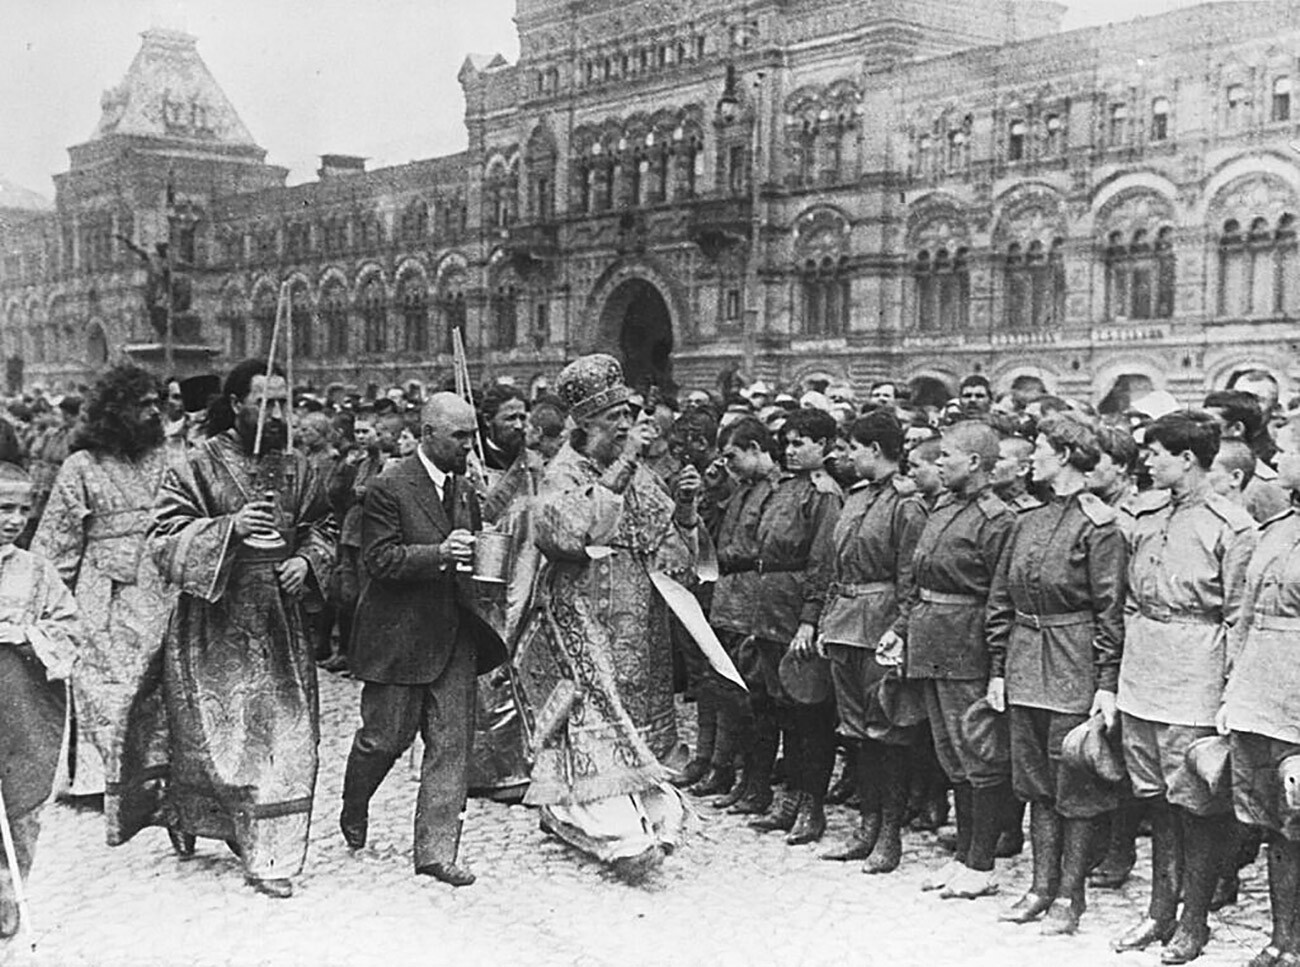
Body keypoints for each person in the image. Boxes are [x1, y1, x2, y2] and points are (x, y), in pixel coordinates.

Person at [149, 360, 336, 899]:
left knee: (289, 736)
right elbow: (164, 537)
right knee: (218, 736)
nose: (279, 414)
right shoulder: (195, 465)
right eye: (266, 403)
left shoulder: (299, 468)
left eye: (285, 402)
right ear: (236, 405)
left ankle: (271, 854)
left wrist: (308, 560)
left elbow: (323, 523)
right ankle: (195, 815)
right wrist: (228, 529)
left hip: (281, 623)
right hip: (215, 621)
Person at [516, 354, 706, 882]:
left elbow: (666, 540)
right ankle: (605, 829)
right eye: (613, 419)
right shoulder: (561, 472)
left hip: (634, 612)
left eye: (629, 415)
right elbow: (567, 536)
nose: (626, 426)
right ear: (585, 424)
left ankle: (627, 816)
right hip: (579, 613)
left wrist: (686, 509)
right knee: (593, 717)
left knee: (631, 715)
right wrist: (622, 468)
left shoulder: (641, 473)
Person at [339, 393, 507, 888]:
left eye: (472, 435)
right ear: (429, 433)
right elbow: (380, 560)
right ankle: (355, 800)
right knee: (383, 740)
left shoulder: (462, 488)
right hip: (399, 634)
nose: (469, 445)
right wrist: (439, 552)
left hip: (453, 632)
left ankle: (436, 852)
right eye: (460, 436)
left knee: (451, 745)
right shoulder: (388, 486)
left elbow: (470, 548)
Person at [1111, 410, 1257, 963]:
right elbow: (1128, 597)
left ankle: (1194, 921)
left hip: (1196, 673)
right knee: (1154, 799)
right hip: (1143, 668)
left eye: (1155, 453)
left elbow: (1237, 616)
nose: (1145, 462)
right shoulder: (1145, 516)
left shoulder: (1231, 526)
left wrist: (1227, 693)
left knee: (1196, 800)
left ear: (1187, 459)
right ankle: (1159, 911)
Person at [986, 413, 1127, 935]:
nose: (1031, 457)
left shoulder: (1099, 525)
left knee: (1074, 783)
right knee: (1035, 785)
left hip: (1074, 664)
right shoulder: (1026, 521)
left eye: (1041, 448)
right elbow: (1001, 600)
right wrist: (998, 669)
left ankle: (1071, 896)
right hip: (1025, 662)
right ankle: (1040, 888)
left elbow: (1110, 611)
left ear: (1065, 455)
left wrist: (1106, 683)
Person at [30, 364, 181, 850]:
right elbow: (57, 539)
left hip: (162, 586)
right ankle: (100, 780)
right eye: (142, 404)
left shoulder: (173, 458)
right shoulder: (81, 467)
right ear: (115, 410)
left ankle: (160, 773)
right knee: (102, 684)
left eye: (157, 402)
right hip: (104, 593)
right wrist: (44, 601)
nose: (154, 412)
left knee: (159, 682)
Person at [890, 420, 1016, 898]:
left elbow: (999, 599)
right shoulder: (944, 505)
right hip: (933, 640)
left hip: (967, 646)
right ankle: (964, 857)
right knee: (951, 756)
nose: (938, 462)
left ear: (976, 462)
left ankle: (982, 863)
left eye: (947, 455)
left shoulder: (995, 519)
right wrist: (903, 632)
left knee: (977, 753)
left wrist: (998, 666)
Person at [817, 411, 926, 874]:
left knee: (887, 733)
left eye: (855, 448)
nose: (847, 456)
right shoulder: (855, 498)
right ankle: (865, 826)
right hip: (845, 624)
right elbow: (835, 568)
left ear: (876, 450)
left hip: (881, 627)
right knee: (855, 733)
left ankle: (888, 835)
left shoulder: (907, 505)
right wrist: (825, 621)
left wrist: (899, 632)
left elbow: (912, 580)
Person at [739, 408, 842, 846]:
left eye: (803, 442)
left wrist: (809, 620)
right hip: (769, 608)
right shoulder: (783, 488)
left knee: (808, 715)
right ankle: (789, 800)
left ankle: (810, 806)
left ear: (825, 448)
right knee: (778, 708)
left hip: (796, 612)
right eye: (790, 440)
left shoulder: (823, 495)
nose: (792, 448)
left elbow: (823, 563)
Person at [1220, 412, 1300, 967]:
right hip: (1260, 698)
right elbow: (1244, 617)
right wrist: (1233, 694)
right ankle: (1283, 938)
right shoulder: (1278, 531)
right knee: (1278, 824)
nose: (1277, 460)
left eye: (1289, 449)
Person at [0, 463, 81, 938]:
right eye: (3, 509)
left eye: (23, 510)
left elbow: (69, 629)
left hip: (22, 705)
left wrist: (25, 634)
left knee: (20, 804)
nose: (15, 520)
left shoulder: (37, 571)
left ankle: (9, 890)